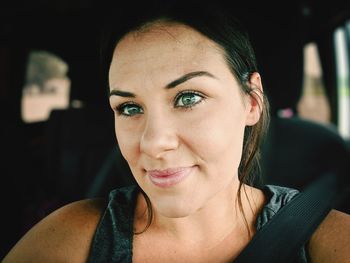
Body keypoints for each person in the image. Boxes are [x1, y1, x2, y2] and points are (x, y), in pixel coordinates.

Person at [3, 2, 350, 262]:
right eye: (130, 108)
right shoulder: (66, 242)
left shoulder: (328, 242)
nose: (153, 143)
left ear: (252, 101)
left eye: (188, 97)